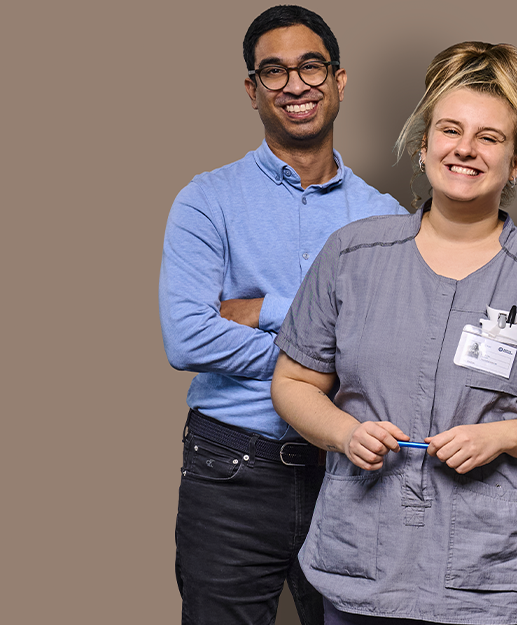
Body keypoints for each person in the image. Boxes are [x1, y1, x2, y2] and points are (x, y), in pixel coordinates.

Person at [270, 42, 517, 625]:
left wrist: (502, 437)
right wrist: (345, 433)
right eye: (450, 130)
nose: (465, 149)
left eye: (490, 137)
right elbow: (294, 382)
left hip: (496, 571)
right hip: (367, 557)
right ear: (424, 143)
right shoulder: (353, 255)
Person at [159, 6, 407, 624]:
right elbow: (188, 338)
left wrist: (262, 310)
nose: (295, 85)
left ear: (338, 81)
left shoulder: (387, 219)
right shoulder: (206, 200)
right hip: (231, 469)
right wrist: (328, 351)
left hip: (351, 474)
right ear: (253, 89)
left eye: (310, 67)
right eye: (274, 71)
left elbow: (393, 347)